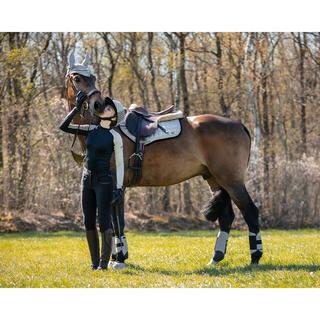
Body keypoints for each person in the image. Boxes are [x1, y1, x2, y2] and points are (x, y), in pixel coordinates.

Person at [59, 88, 126, 270]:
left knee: (104, 222)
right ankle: (94, 263)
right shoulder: (90, 128)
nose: (106, 108)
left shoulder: (115, 137)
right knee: (88, 222)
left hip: (104, 182)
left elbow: (119, 165)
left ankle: (103, 265)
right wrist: (76, 108)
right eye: (106, 106)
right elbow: (63, 127)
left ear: (114, 117)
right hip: (86, 179)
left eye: (110, 108)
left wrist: (119, 188)